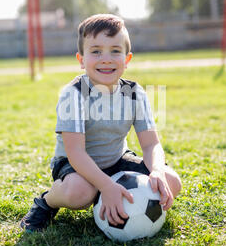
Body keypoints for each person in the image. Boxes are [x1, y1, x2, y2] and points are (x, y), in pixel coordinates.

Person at [20, 13, 182, 232]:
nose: (106, 58)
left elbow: (151, 144)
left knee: (172, 181)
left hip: (116, 159)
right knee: (80, 193)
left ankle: (108, 195)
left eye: (115, 51)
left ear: (127, 59)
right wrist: (106, 185)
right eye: (96, 51)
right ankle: (46, 202)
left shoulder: (134, 93)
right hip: (73, 163)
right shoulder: (74, 94)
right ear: (81, 60)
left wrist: (156, 171)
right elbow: (76, 152)